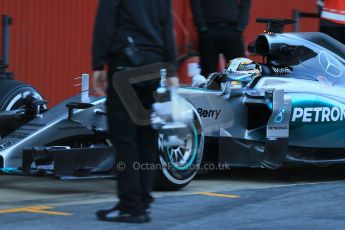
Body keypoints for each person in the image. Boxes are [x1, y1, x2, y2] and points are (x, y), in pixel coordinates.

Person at [91, 0, 177, 224]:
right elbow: (167, 26)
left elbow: (105, 21)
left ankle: (131, 206)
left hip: (125, 66)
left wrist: (98, 64)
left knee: (125, 139)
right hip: (153, 66)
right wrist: (171, 68)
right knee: (147, 137)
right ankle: (142, 200)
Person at [190, 0, 252, 76]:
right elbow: (195, 3)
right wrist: (202, 28)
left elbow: (246, 2)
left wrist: (240, 27)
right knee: (207, 75)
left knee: (240, 73)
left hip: (232, 30)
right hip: (209, 31)